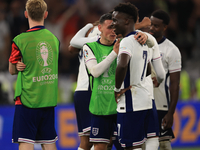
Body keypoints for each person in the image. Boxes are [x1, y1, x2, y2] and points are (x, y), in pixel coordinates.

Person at [112, 2, 165, 150]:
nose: (113, 24)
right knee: (151, 139)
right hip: (147, 99)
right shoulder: (144, 40)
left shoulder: (127, 41)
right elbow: (147, 69)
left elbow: (122, 65)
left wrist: (117, 88)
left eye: (116, 20)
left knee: (131, 145)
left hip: (131, 101)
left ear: (127, 21)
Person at [8, 0, 59, 150]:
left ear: (26, 14)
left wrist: (17, 66)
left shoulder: (20, 40)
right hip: (48, 98)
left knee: (26, 142)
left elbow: (11, 70)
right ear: (46, 14)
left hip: (27, 100)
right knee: (49, 142)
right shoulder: (54, 39)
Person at [149, 10, 182, 150]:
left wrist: (170, 113)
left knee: (163, 144)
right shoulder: (141, 43)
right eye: (151, 24)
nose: (151, 28)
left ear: (164, 27)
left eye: (156, 26)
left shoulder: (171, 50)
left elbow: (175, 85)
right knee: (143, 144)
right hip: (141, 103)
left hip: (161, 104)